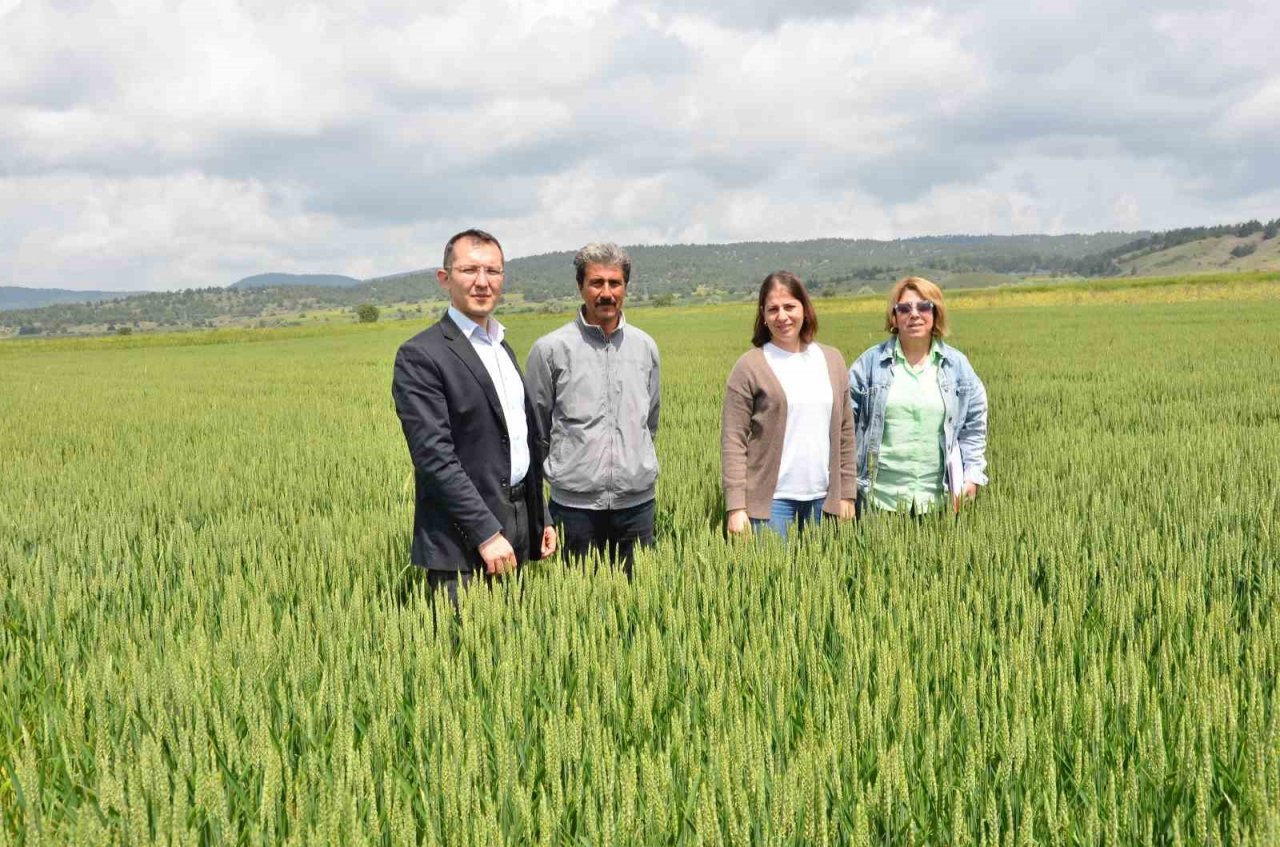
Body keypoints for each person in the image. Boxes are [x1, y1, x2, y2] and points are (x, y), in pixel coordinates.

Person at [391, 228, 557, 606]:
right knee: (463, 657)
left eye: (493, 272)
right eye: (469, 270)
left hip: (516, 531)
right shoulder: (421, 355)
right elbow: (435, 458)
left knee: (511, 654)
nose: (482, 282)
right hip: (462, 545)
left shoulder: (501, 348)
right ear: (445, 278)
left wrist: (540, 514)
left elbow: (518, 440)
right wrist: (485, 533)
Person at [525, 242, 660, 575]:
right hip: (574, 508)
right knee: (578, 608)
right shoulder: (550, 350)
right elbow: (535, 430)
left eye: (615, 283)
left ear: (625, 287)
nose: (606, 292)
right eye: (596, 283)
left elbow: (650, 422)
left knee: (640, 608)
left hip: (636, 506)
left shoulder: (645, 348)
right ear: (581, 287)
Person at [721, 271, 855, 539]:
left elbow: (845, 432)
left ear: (804, 308)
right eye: (773, 309)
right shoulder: (750, 366)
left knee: (825, 580)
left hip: (824, 500)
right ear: (763, 315)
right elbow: (733, 440)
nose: (782, 316)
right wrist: (736, 507)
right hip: (771, 504)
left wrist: (847, 494)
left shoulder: (832, 360)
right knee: (767, 578)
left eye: (789, 306)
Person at [848, 276, 988, 515]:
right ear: (894, 317)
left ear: (936, 314)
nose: (914, 314)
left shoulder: (957, 366)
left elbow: (973, 428)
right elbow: (845, 427)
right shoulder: (869, 364)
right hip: (879, 500)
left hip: (939, 501)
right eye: (904, 308)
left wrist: (972, 476)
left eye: (924, 306)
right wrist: (846, 487)